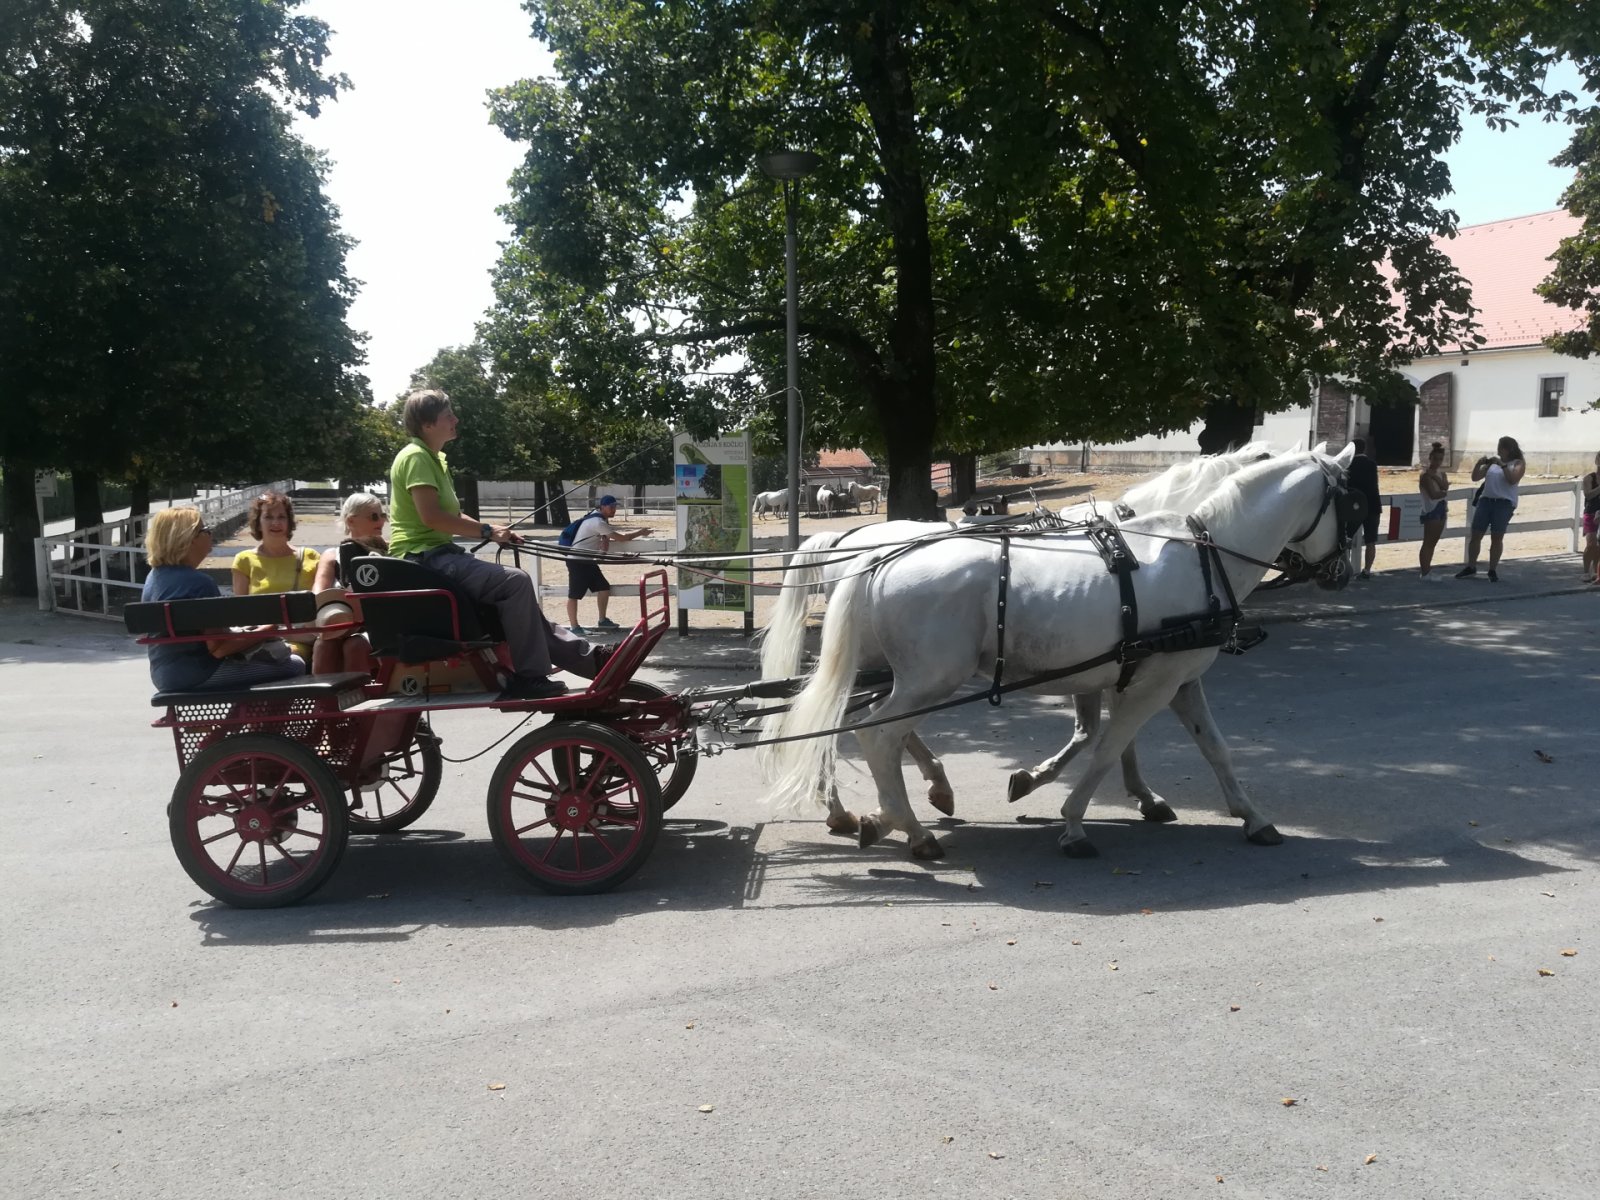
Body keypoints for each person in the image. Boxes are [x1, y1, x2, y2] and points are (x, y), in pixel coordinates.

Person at [388, 388, 600, 699]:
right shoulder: (417, 457)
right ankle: (531, 676)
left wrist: (493, 530)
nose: (455, 419)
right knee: (515, 582)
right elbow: (432, 517)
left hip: (437, 556)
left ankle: (588, 658)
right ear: (427, 423)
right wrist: (486, 531)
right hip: (423, 560)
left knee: (517, 592)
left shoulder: (434, 459)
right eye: (449, 415)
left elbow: (451, 513)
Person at [138, 507, 307, 693]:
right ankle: (247, 720)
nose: (210, 533)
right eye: (204, 530)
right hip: (202, 673)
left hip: (163, 675)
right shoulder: (199, 583)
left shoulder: (153, 578)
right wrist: (266, 630)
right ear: (188, 539)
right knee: (294, 665)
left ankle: (240, 719)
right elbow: (219, 648)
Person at [232, 490, 320, 660]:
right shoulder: (244, 560)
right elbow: (241, 614)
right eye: (268, 517)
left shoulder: (311, 557)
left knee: (284, 657)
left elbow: (320, 606)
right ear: (257, 523)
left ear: (289, 522)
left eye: (281, 517)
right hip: (258, 641)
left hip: (299, 642)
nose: (276, 522)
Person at [310, 492, 389, 674]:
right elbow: (318, 594)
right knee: (324, 645)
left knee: (355, 645)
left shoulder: (390, 551)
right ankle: (325, 701)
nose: (382, 521)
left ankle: (360, 699)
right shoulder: (331, 555)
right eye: (374, 516)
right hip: (344, 621)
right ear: (351, 521)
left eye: (383, 515)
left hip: (380, 624)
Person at [565, 495, 652, 634]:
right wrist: (641, 532)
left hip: (587, 560)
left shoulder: (595, 517)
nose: (614, 510)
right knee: (574, 595)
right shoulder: (598, 522)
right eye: (611, 507)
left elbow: (601, 536)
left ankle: (602, 620)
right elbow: (623, 538)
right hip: (578, 560)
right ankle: (574, 627)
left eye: (615, 507)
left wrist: (603, 539)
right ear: (602, 507)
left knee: (603, 587)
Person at [1457, 436, 1526, 582]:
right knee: (1476, 534)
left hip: (1504, 504)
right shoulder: (1493, 464)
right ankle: (1471, 565)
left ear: (1507, 449)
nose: (1498, 450)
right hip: (1486, 500)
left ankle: (1492, 569)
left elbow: (1512, 480)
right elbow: (1475, 478)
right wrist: (1479, 464)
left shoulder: (1518, 463)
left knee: (1497, 537)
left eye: (1501, 447)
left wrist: (1502, 465)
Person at [1347, 437, 1382, 579]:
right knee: (1370, 540)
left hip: (1356, 505)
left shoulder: (1349, 465)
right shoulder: (1372, 464)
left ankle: (1345, 568)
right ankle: (1367, 570)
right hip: (1373, 505)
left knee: (1346, 538)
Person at [1417, 442, 1450, 579]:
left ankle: (1428, 570)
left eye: (1440, 459)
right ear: (1430, 458)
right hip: (1431, 509)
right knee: (1428, 542)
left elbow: (1444, 487)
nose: (1437, 462)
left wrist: (1437, 479)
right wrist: (1443, 492)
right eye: (1435, 459)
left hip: (1441, 507)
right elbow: (1433, 494)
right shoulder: (1425, 475)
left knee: (1433, 542)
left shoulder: (1441, 474)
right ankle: (1425, 572)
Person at [1581, 451, 1600, 584]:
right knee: (1591, 543)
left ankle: (1596, 571)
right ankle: (1585, 571)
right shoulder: (1589, 478)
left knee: (1599, 545)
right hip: (1590, 512)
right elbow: (1588, 495)